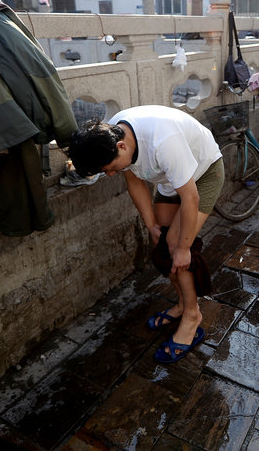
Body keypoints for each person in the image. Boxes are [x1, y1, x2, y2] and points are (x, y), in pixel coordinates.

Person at [67, 105, 224, 364]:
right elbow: (134, 181)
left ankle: (192, 315)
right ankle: (184, 303)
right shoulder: (115, 130)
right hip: (171, 178)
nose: (110, 174)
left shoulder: (164, 142)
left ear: (121, 147)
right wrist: (150, 224)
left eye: (110, 168)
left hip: (202, 174)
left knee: (175, 247)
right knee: (163, 246)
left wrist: (184, 248)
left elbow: (190, 196)